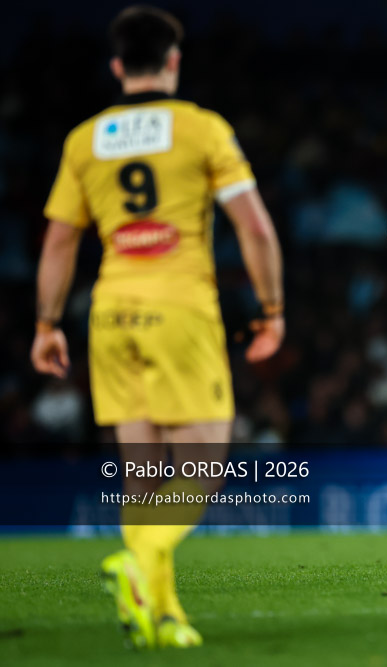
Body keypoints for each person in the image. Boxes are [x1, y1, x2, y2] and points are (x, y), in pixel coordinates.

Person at [31, 6, 284, 649]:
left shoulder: (84, 140)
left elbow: (60, 243)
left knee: (144, 476)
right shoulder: (201, 130)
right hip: (180, 309)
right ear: (173, 62)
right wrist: (272, 310)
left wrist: (46, 324)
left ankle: (164, 615)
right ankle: (141, 566)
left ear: (118, 67)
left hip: (110, 312)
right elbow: (252, 226)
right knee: (203, 467)